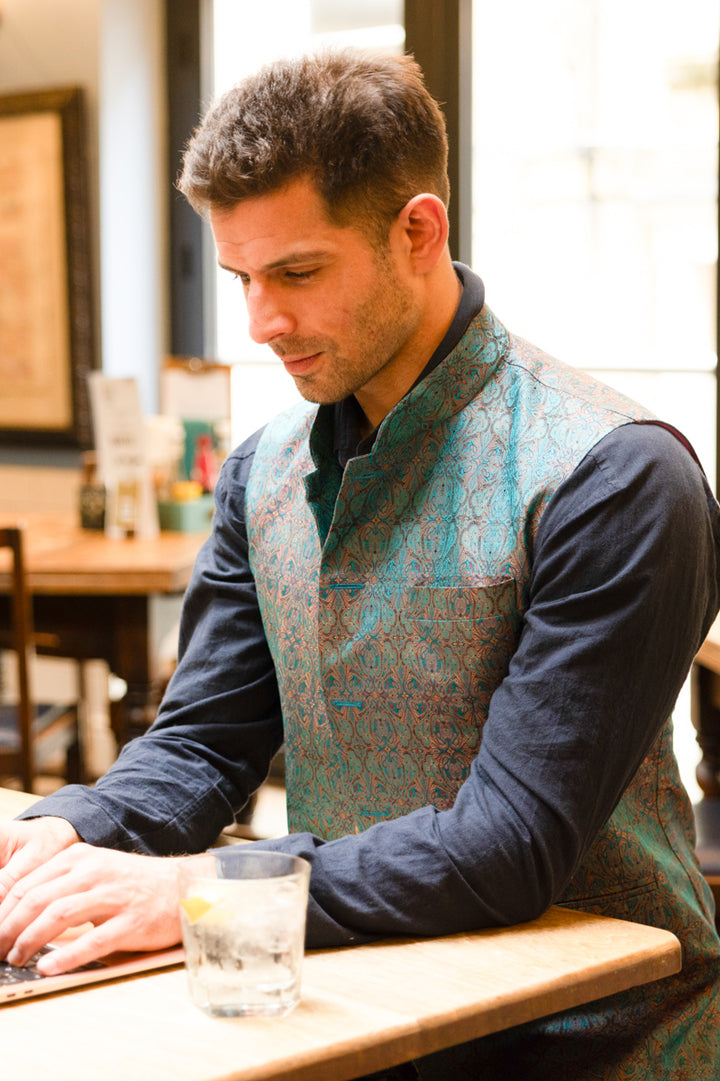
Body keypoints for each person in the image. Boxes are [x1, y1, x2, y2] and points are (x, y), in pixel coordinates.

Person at [0, 49, 719, 1080]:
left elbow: (510, 842)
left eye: (297, 273)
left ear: (417, 231)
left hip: (599, 1036)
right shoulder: (262, 470)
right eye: (242, 278)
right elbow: (202, 742)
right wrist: (60, 835)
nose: (262, 324)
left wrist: (197, 888)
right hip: (365, 1008)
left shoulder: (614, 475)